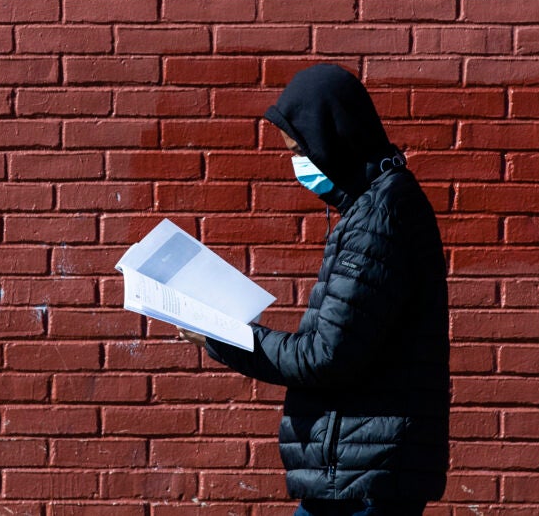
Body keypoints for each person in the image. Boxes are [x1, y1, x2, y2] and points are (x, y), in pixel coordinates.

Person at [178, 64, 450, 516]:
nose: (298, 166)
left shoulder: (378, 221)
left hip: (360, 481)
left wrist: (222, 335)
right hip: (358, 468)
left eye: (300, 151)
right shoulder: (378, 207)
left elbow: (327, 356)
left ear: (331, 139)